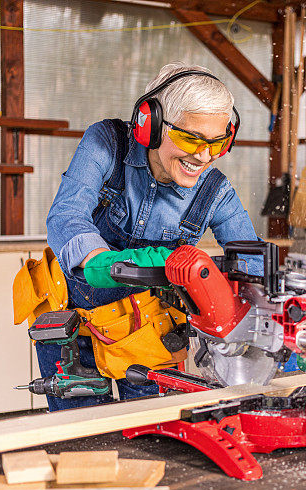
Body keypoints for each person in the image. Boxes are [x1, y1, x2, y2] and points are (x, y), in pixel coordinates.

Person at [37, 63, 260, 411]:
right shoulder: (106, 144)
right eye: (190, 139)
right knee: (80, 447)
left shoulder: (216, 192)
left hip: (150, 332)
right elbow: (67, 215)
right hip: (76, 327)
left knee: (153, 438)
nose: (203, 156)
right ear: (150, 125)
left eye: (217, 143)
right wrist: (100, 262)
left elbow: (252, 263)